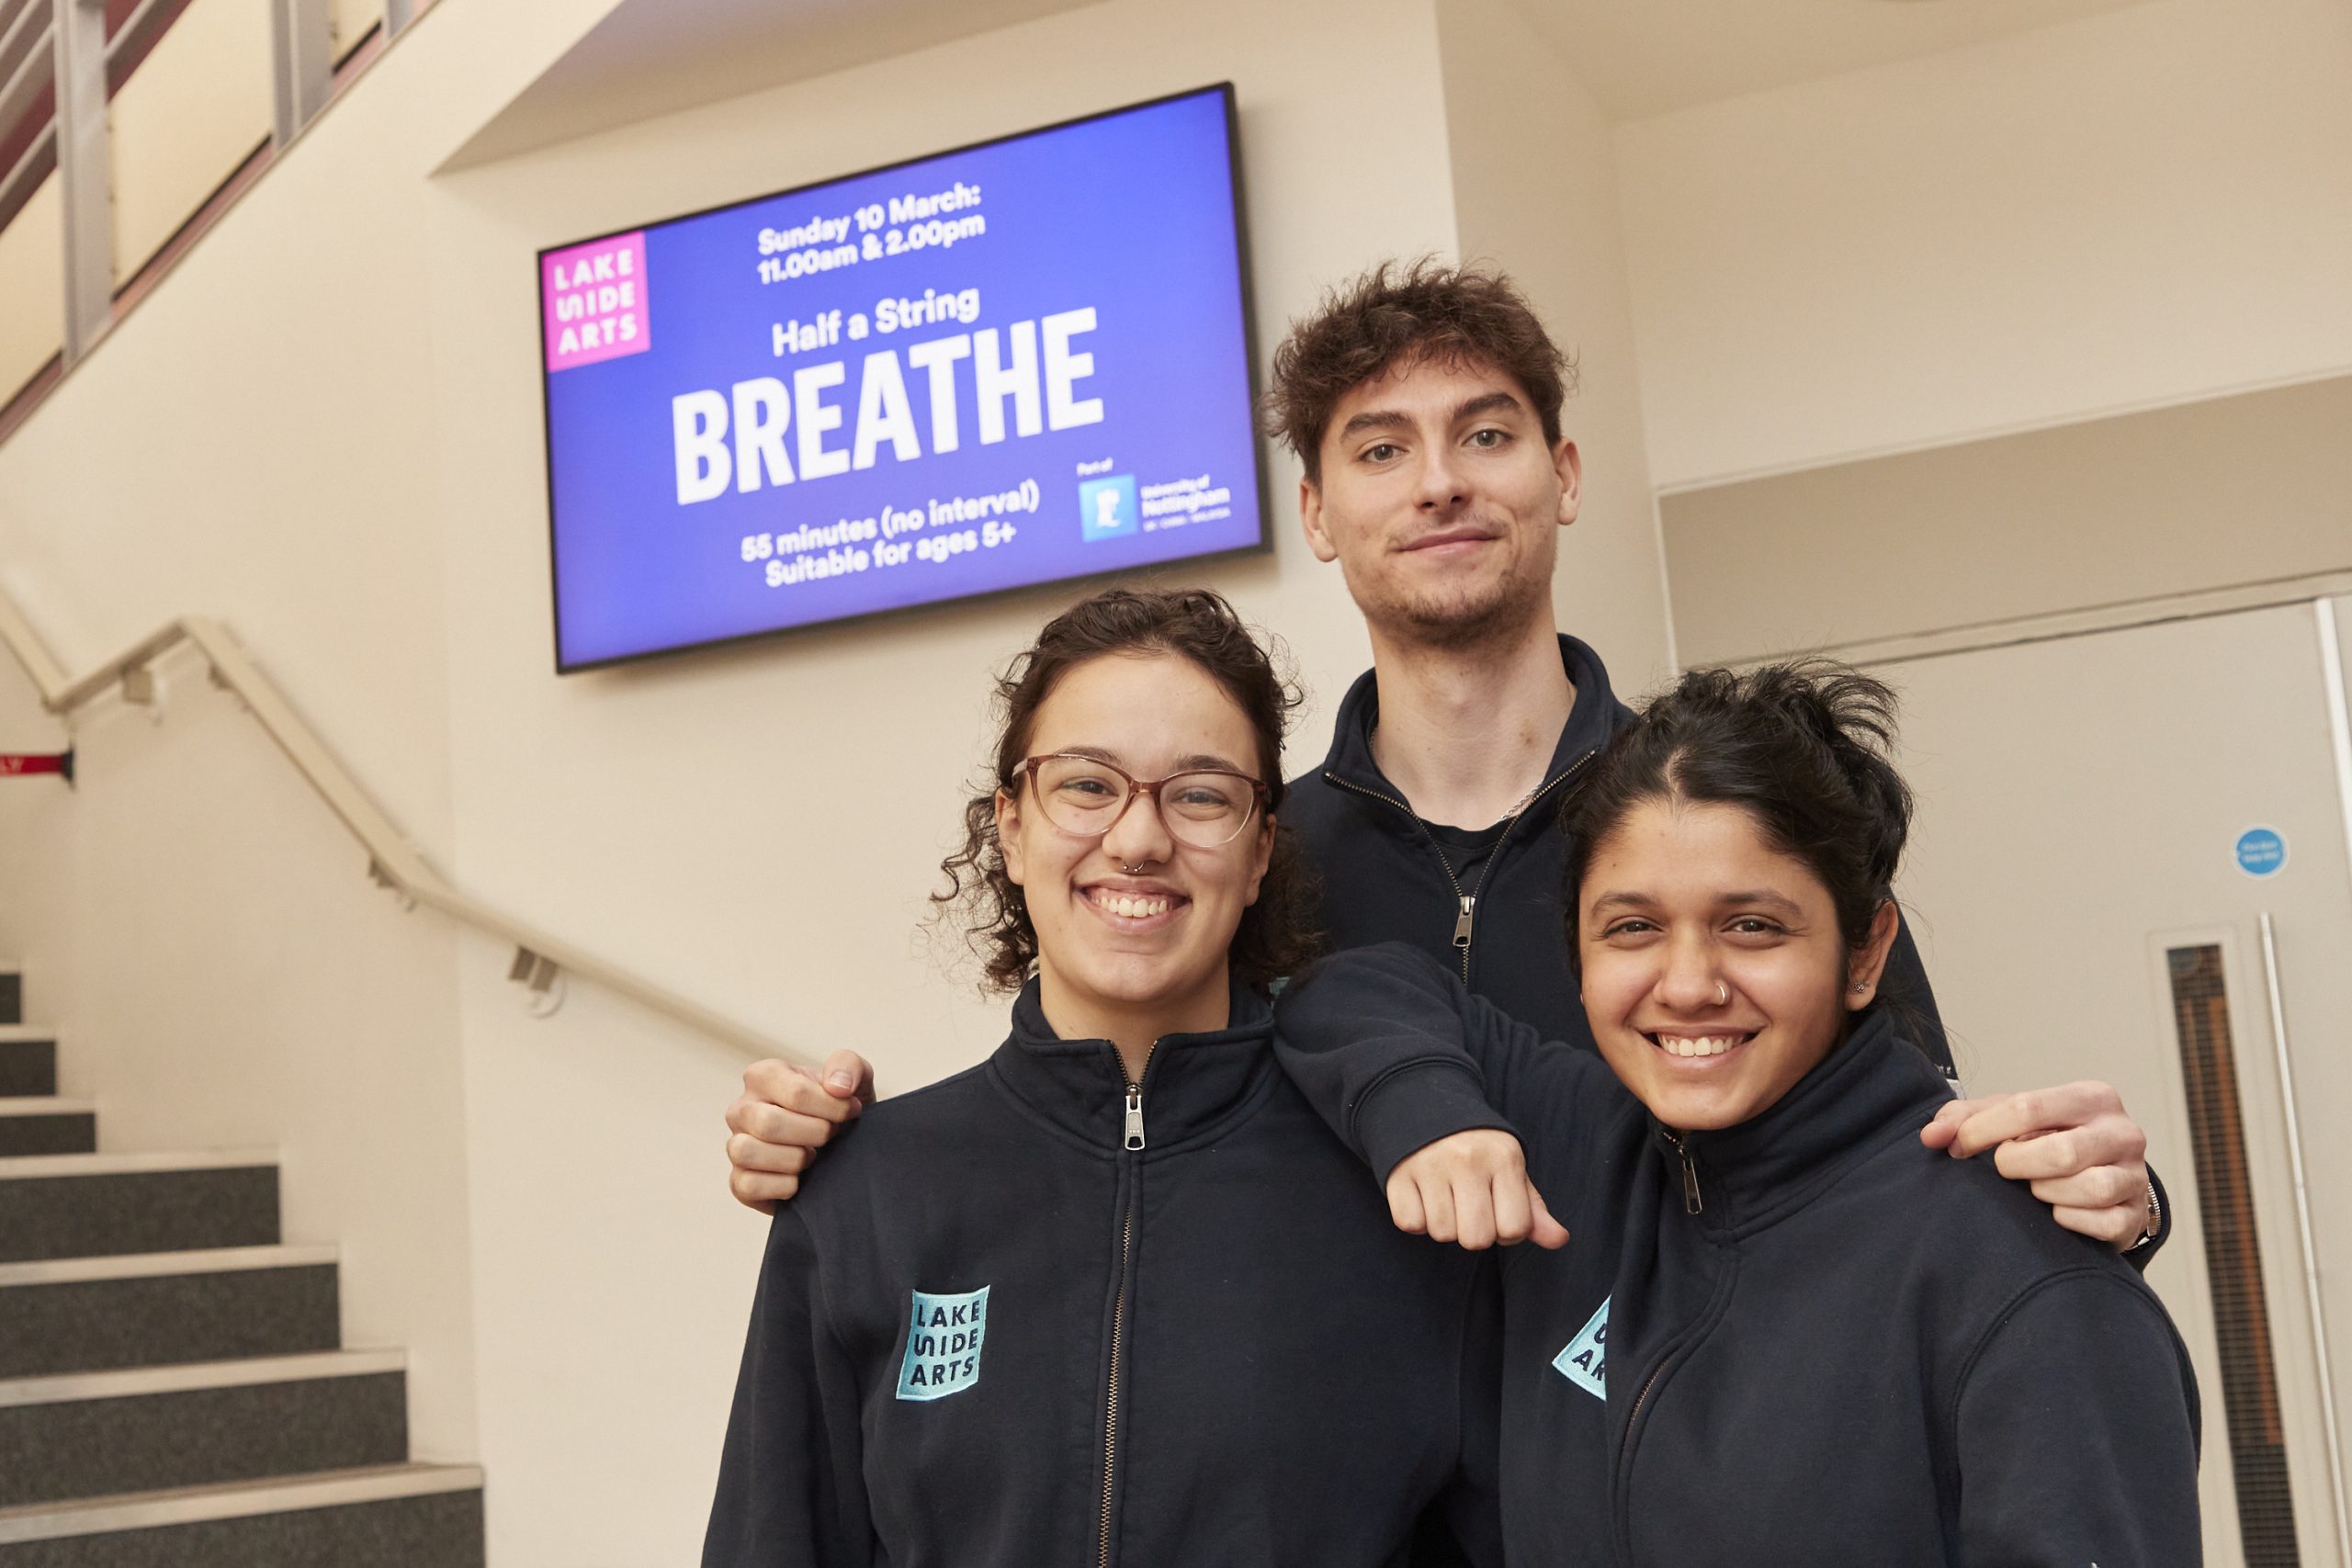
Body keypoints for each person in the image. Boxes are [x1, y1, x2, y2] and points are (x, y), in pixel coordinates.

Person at [724, 259, 2165, 1255]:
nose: (1440, 483)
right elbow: (1111, 1128)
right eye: (1380, 449)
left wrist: (2104, 1200)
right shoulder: (1246, 854)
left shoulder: (1725, 818)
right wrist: (841, 1148)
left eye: (1485, 434)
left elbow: (1912, 1151)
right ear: (1319, 511)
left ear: (1564, 474)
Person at [1272, 662, 2200, 1563]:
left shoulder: (2016, 1273)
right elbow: (1345, 991)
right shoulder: (1581, 1149)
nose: (1687, 985)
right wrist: (1428, 1110)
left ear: (1864, 951)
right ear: (1578, 955)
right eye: (1632, 928)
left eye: (1751, 926)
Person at [702, 589, 1503, 1567]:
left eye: (1200, 794)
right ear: (1010, 826)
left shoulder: (1401, 1188)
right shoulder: (866, 1195)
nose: (1138, 840)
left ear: (1259, 850)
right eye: (1087, 785)